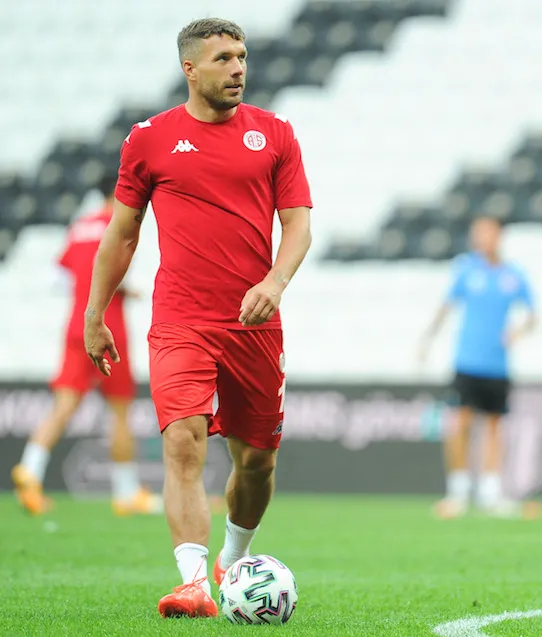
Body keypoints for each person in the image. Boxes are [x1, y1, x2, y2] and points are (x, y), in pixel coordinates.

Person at [83, 18, 313, 619]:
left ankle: (233, 559)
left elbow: (298, 226)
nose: (238, 68)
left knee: (256, 462)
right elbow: (123, 232)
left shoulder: (275, 133)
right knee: (182, 442)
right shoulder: (149, 139)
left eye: (242, 56)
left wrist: (274, 282)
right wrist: (95, 312)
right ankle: (192, 583)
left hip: (254, 324)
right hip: (180, 320)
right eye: (223, 58)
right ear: (190, 69)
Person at [11, 173, 162, 517]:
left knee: (64, 406)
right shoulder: (118, 223)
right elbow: (114, 271)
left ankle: (30, 468)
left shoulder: (81, 225)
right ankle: (126, 492)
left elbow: (60, 276)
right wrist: (127, 290)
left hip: (76, 324)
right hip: (108, 326)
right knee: (119, 411)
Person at [419, 217, 537, 519]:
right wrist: (428, 339)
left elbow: (532, 316)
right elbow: (446, 306)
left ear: (499, 236)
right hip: (467, 362)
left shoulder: (514, 275)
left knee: (494, 427)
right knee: (459, 424)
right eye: (477, 234)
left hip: (497, 365)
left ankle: (490, 492)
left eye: (486, 233)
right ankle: (457, 492)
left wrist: (518, 332)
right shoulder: (467, 270)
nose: (480, 239)